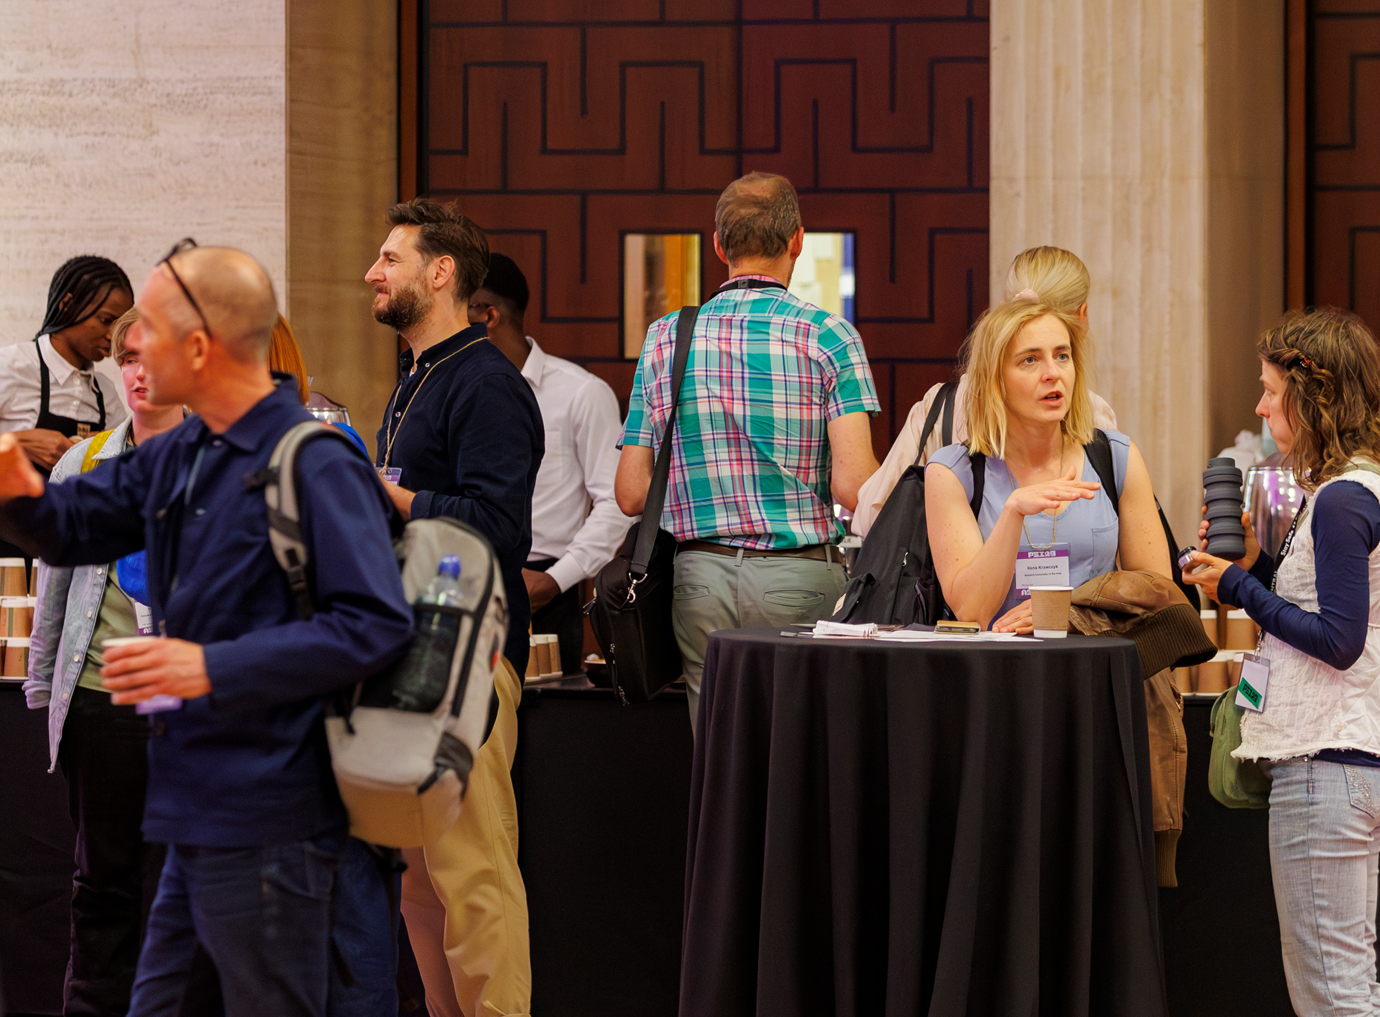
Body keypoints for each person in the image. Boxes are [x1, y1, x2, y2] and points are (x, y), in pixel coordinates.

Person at [0, 242, 412, 1017]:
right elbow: (76, 523)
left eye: (147, 330)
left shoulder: (310, 456)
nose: (131, 348)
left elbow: (374, 624)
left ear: (202, 345)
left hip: (276, 819)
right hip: (192, 818)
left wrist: (215, 666)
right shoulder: (179, 448)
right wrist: (5, 486)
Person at [1180, 308, 1380, 1017]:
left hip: (1331, 760)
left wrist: (1232, 589)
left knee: (1331, 985)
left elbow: (1335, 638)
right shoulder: (1353, 493)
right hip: (1350, 757)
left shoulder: (1350, 497)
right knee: (1344, 979)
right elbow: (1316, 608)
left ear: (1312, 396)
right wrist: (1243, 563)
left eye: (1272, 391)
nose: (1260, 407)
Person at [363, 199, 548, 1017]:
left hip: (471, 641)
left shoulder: (485, 382)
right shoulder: (418, 377)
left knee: (472, 850)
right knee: (419, 864)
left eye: (390, 256)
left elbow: (499, 528)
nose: (372, 271)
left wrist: (391, 497)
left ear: (441, 274)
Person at [616, 172, 879, 721]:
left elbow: (632, 492)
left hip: (699, 579)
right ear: (797, 241)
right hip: (800, 573)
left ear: (718, 245)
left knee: (719, 756)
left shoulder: (666, 337)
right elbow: (854, 487)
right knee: (799, 750)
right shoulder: (829, 336)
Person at [35, 311, 184, 1017]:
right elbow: (53, 591)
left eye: (151, 357)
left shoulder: (226, 460)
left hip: (194, 697)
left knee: (193, 870)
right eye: (125, 358)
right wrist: (41, 686)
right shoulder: (85, 463)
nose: (136, 372)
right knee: (105, 872)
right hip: (100, 690)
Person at [922, 295, 1169, 631]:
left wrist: (1069, 612)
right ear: (996, 380)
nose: (1053, 373)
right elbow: (971, 612)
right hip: (999, 673)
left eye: (1062, 356)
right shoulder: (952, 472)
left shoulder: (1116, 457)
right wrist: (1013, 512)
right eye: (1030, 360)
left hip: (1096, 668)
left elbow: (1158, 596)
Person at [852, 245, 1118, 540]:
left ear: (1004, 307)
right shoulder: (1092, 415)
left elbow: (871, 515)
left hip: (948, 583)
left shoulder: (943, 406)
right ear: (1082, 317)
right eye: (1028, 360)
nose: (1050, 374)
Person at [470, 252, 632, 673]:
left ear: (488, 315)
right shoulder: (458, 392)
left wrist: (556, 580)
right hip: (465, 578)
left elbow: (615, 502)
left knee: (545, 727)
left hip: (545, 585)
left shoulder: (580, 393)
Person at [0, 255, 133, 472]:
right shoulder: (12, 367)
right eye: (106, 320)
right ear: (67, 305)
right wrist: (13, 444)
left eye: (120, 326)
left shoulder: (105, 394)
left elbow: (128, 468)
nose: (113, 335)